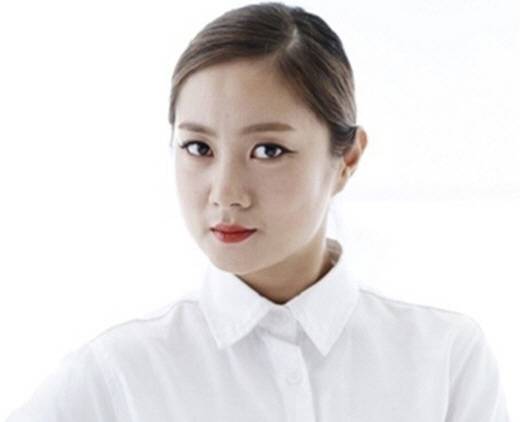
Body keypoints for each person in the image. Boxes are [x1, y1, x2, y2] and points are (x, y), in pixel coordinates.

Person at [6, 2, 510, 421]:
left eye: (268, 150)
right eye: (199, 148)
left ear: (348, 159)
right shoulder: (117, 376)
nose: (226, 193)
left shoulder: (445, 362)